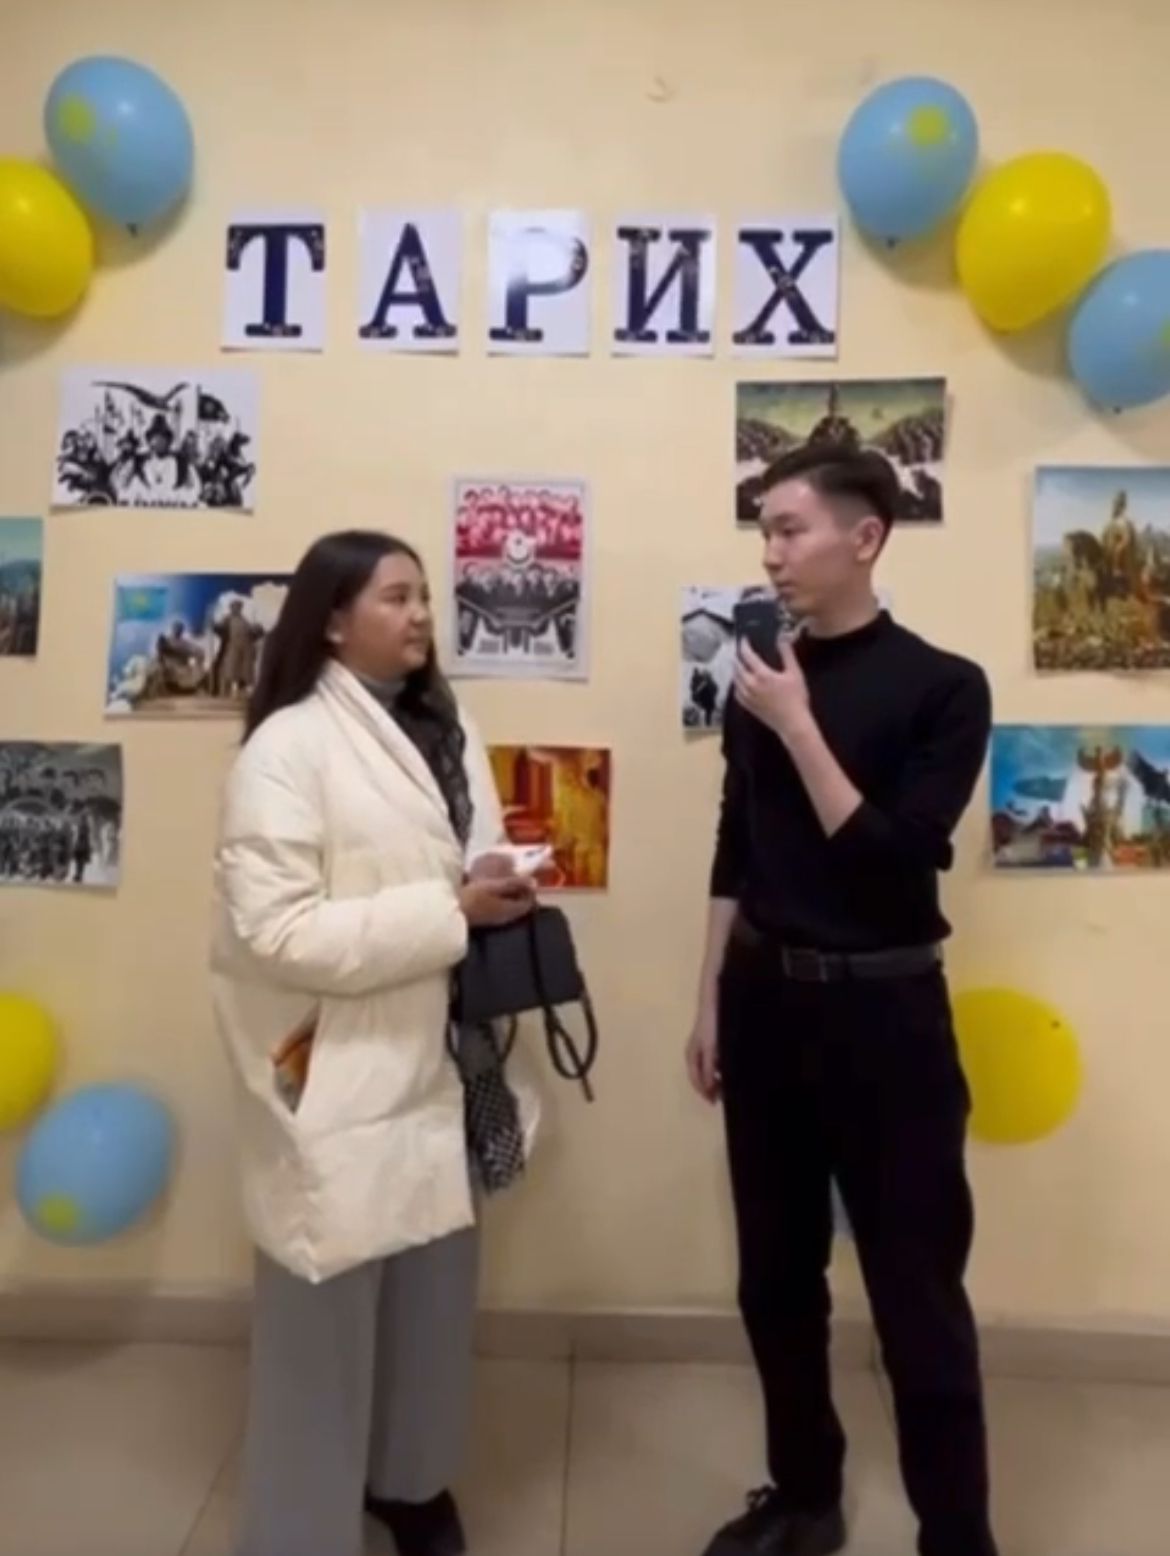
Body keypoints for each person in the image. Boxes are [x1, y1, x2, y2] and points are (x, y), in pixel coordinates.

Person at [686, 446, 997, 1556]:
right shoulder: (758, 678)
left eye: (791, 529)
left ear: (864, 538)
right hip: (765, 1007)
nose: (770, 553)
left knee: (917, 1295)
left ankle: (956, 1532)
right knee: (775, 1279)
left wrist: (799, 724)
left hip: (887, 1019)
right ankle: (805, 1496)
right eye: (763, 531)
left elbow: (892, 861)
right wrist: (709, 1000)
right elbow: (737, 844)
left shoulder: (944, 686)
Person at [211, 530, 540, 1556]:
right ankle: (301, 1528)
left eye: (424, 595)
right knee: (324, 1319)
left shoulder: (446, 725)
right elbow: (276, 932)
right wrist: (451, 912)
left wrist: (494, 874)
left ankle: (411, 1485)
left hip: (447, 1054)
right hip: (338, 1068)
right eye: (396, 597)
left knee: (433, 1299)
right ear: (331, 620)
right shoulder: (287, 749)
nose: (421, 615)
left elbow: (464, 849)